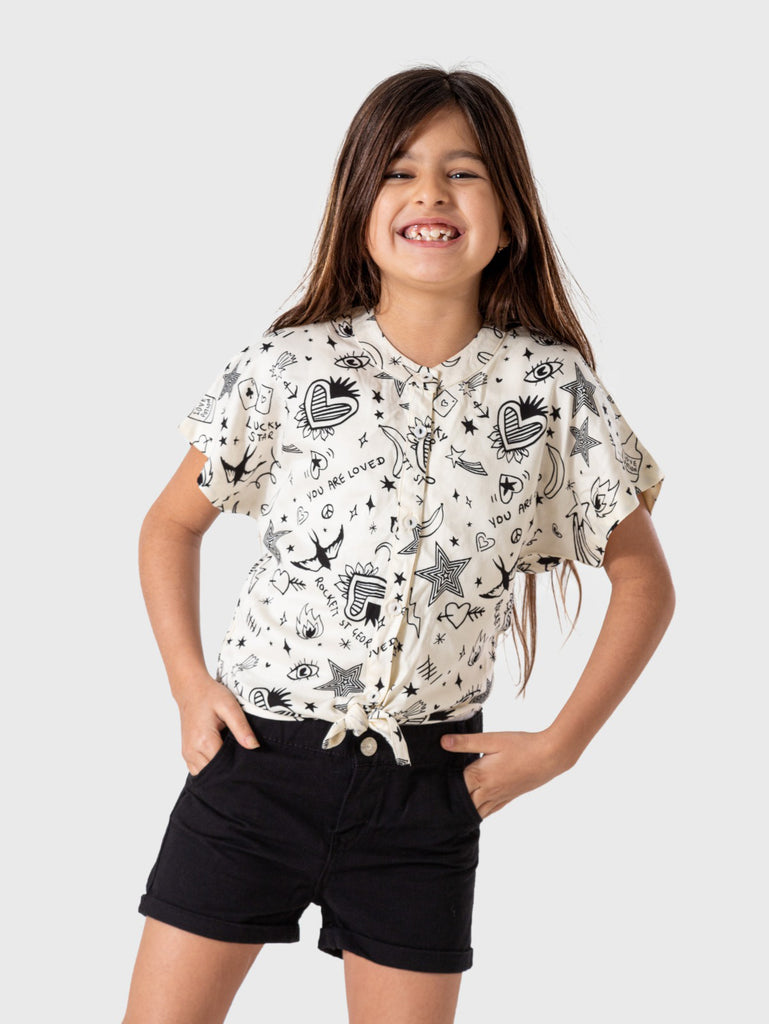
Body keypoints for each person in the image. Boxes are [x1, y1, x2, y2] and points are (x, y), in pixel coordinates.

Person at [121, 65, 675, 1024]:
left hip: (425, 798)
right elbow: (171, 523)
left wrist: (560, 747)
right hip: (254, 766)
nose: (430, 194)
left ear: (510, 216)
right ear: (358, 204)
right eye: (399, 172)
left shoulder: (552, 389)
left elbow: (646, 583)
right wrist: (186, 684)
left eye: (463, 172)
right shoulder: (289, 363)